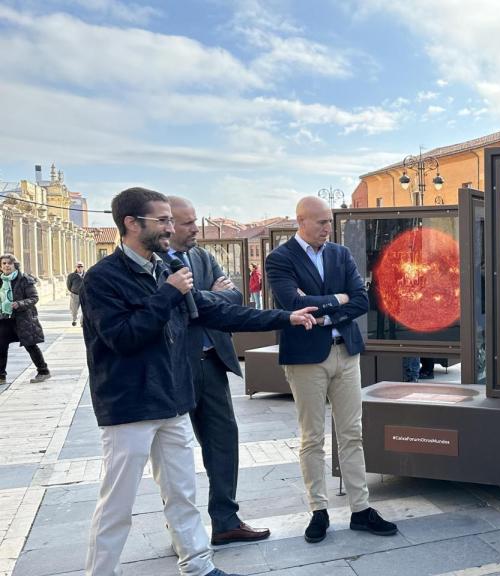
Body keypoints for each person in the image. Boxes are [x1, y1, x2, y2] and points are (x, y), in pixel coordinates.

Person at [81, 187, 317, 576]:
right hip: (130, 408)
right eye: (163, 220)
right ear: (130, 223)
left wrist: (285, 318)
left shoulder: (165, 270)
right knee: (117, 505)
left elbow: (217, 313)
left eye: (172, 221)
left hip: (173, 400)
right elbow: (123, 338)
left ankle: (199, 567)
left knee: (182, 494)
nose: (170, 228)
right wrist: (168, 295)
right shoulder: (103, 279)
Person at [265, 196, 397, 544]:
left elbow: (360, 300)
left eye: (329, 222)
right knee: (312, 437)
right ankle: (318, 511)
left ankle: (361, 509)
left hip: (346, 353)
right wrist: (336, 300)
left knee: (352, 433)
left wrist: (323, 311)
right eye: (321, 222)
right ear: (301, 221)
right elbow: (292, 304)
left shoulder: (340, 254)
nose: (328, 228)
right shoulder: (280, 259)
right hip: (306, 358)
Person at [165, 196, 271, 546]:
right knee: (173, 453)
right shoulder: (156, 263)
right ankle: (180, 529)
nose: (195, 228)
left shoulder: (202, 257)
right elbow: (176, 308)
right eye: (187, 223)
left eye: (195, 221)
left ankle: (225, 520)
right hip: (174, 369)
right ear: (167, 224)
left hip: (212, 363)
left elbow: (235, 297)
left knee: (224, 442)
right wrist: (205, 299)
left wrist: (202, 299)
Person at [0, 254, 50, 383]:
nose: (6, 266)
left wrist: (19, 304)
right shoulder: (0, 280)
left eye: (9, 263)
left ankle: (43, 371)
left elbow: (34, 298)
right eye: (4, 263)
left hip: (22, 319)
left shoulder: (24, 279)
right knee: (1, 346)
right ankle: (1, 375)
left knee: (30, 345)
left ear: (14, 265)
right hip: (4, 319)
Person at [67, 261, 85, 325]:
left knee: (85, 309)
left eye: (81, 266)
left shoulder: (87, 275)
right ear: (76, 267)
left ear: (83, 267)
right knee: (74, 310)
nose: (80, 268)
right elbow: (69, 285)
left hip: (84, 295)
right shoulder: (71, 276)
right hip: (75, 295)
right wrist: (73, 291)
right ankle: (74, 319)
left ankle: (82, 322)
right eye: (78, 266)